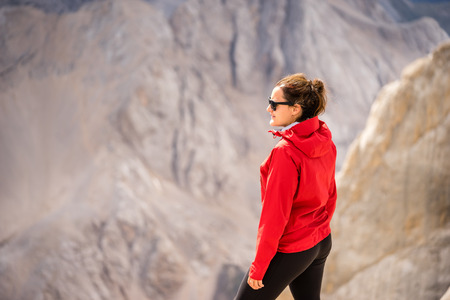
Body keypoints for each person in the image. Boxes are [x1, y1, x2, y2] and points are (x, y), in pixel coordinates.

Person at [234, 73, 337, 300]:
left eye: (273, 104)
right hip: (320, 240)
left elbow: (274, 216)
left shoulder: (286, 153)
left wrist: (260, 266)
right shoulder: (324, 138)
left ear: (295, 109)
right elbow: (330, 193)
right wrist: (318, 227)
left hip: (293, 246)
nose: (268, 109)